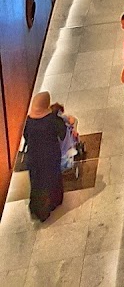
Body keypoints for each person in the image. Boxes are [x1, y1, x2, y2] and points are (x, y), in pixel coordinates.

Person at [23, 92, 66, 222]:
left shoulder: (28, 121)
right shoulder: (52, 120)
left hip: (33, 157)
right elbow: (62, 134)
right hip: (50, 156)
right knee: (52, 179)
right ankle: (54, 202)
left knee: (37, 182)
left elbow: (26, 137)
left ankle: (38, 209)